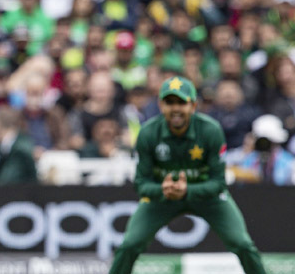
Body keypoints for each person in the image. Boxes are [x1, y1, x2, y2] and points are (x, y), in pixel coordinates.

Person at [109, 76, 266, 274]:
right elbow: (141, 184)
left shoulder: (210, 130)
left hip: (207, 198)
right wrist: (162, 190)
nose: (176, 109)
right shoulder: (148, 133)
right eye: (169, 102)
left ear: (193, 105)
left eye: (181, 103)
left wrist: (187, 190)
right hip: (163, 197)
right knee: (130, 245)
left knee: (243, 244)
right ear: (160, 105)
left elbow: (218, 183)